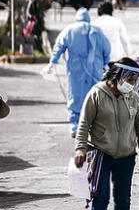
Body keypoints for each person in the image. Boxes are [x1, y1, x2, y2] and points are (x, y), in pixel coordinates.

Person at [75, 58, 139, 210]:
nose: (133, 84)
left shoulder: (134, 98)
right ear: (120, 76)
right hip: (101, 152)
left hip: (126, 155)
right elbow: (84, 124)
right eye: (131, 79)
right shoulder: (97, 93)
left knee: (123, 199)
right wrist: (80, 149)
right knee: (100, 196)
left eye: (136, 80)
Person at [42, 8, 111, 138]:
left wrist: (52, 63)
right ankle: (94, 125)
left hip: (76, 70)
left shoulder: (69, 30)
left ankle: (76, 126)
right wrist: (106, 63)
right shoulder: (97, 31)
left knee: (75, 96)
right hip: (95, 70)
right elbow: (107, 48)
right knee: (95, 96)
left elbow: (58, 47)